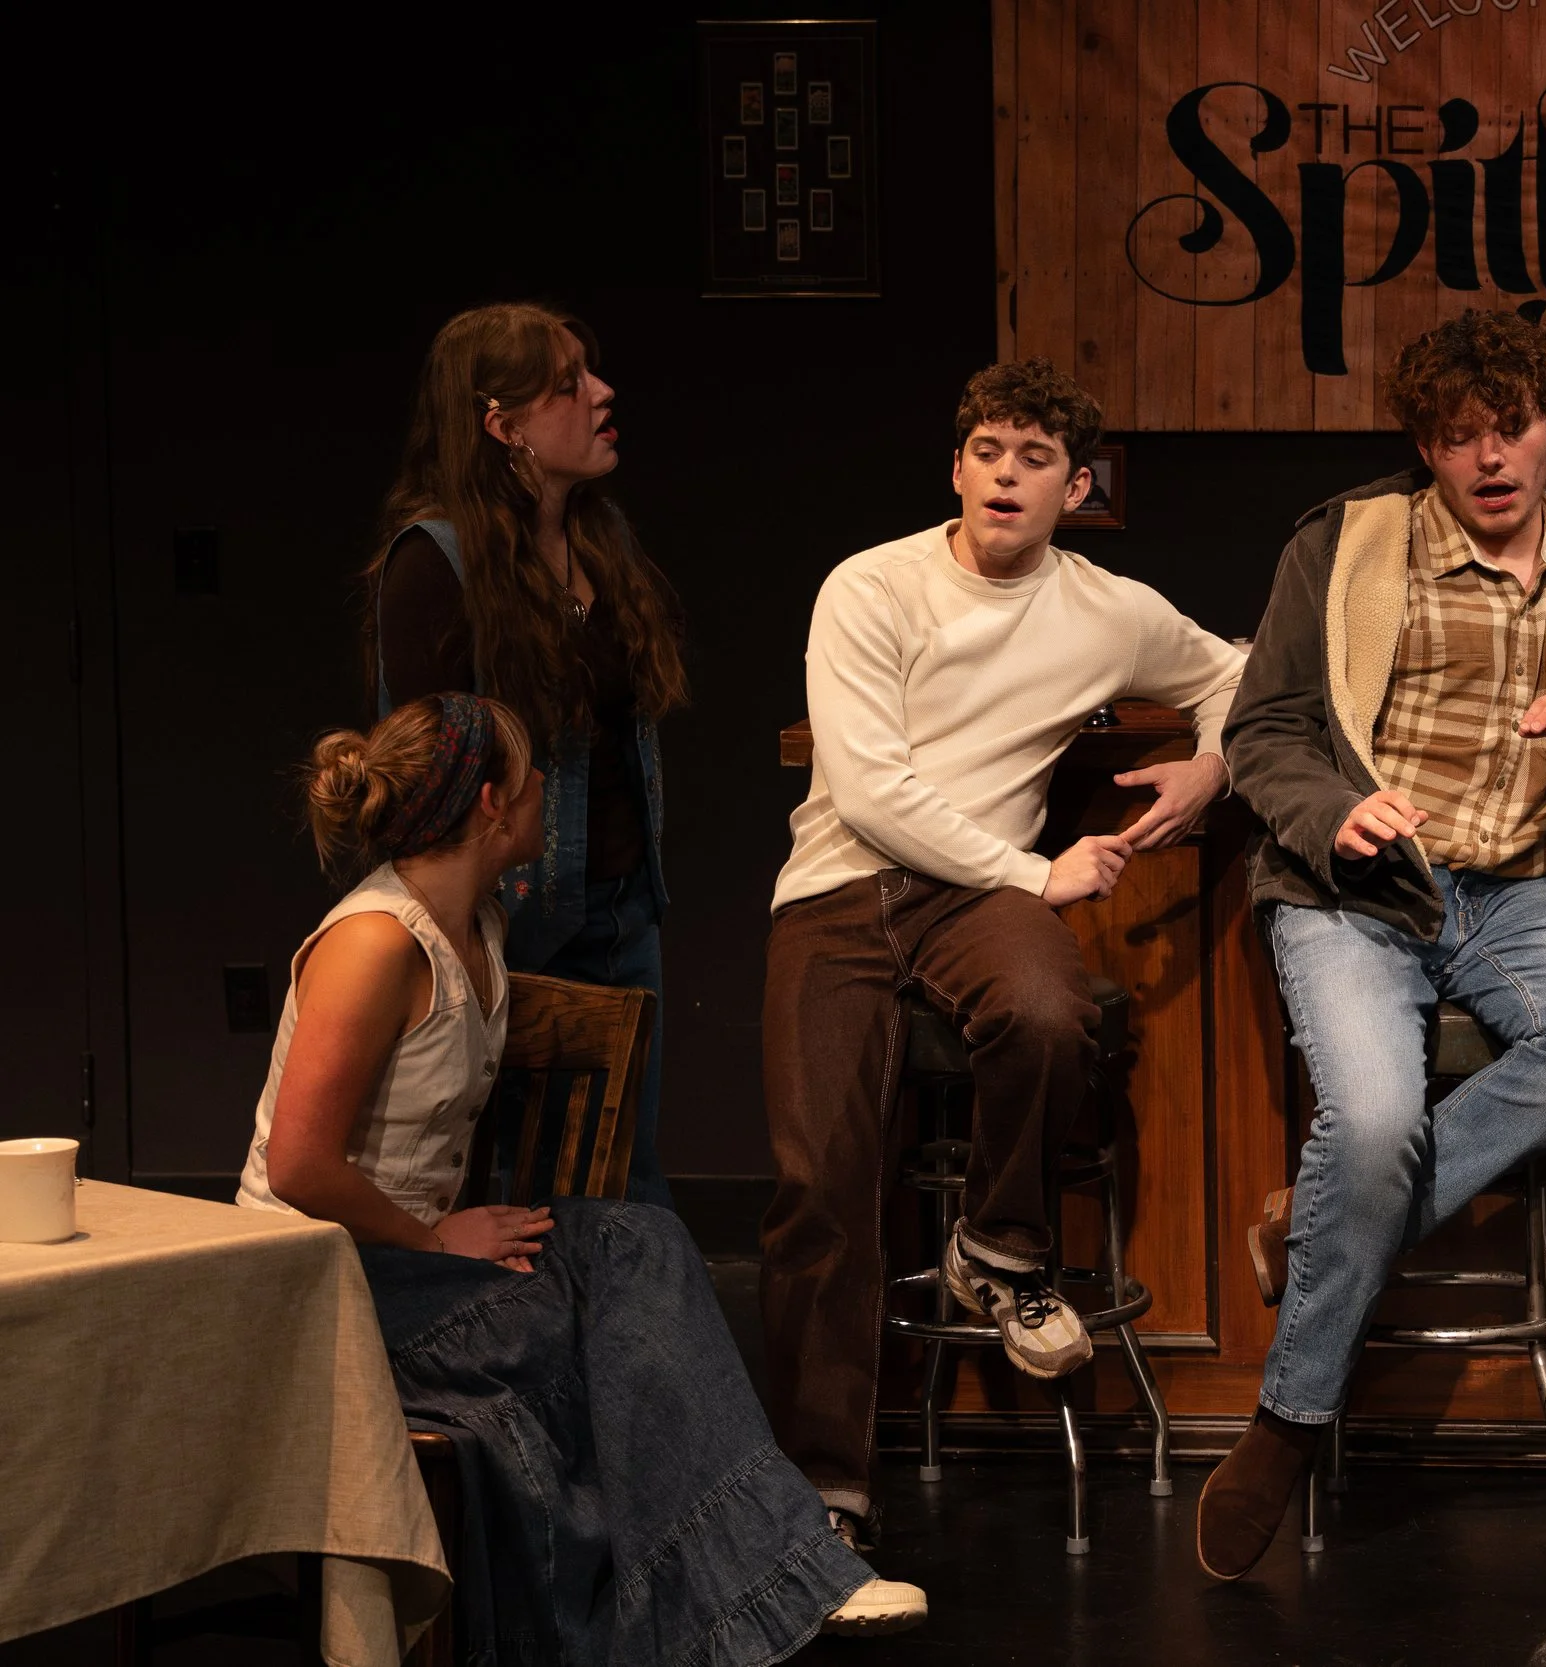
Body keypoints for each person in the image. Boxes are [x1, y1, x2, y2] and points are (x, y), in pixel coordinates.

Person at [236, 692, 926, 1655]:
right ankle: (716, 1601)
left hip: (408, 1263)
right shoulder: (373, 943)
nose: (542, 793)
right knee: (586, 1332)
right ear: (491, 803)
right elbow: (300, 1164)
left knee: (638, 1242)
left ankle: (769, 1574)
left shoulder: (476, 922)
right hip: (324, 1283)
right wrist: (436, 1237)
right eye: (529, 778)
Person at [1199, 310, 1546, 1580]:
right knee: (1374, 1120)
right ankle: (1288, 1419)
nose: (1489, 457)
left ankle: (1317, 1219)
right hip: (1361, 890)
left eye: (1511, 428)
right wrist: (1334, 812)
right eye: (1456, 436)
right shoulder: (1344, 541)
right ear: (1424, 447)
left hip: (1522, 891)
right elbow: (1262, 729)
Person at [760, 359, 1245, 1550]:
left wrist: (1211, 765)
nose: (1006, 476)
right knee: (823, 1183)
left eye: (1035, 458)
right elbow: (870, 793)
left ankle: (998, 1243)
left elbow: (1238, 670)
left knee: (1047, 1009)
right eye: (988, 451)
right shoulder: (871, 584)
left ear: (1075, 487)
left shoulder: (1105, 607)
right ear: (957, 467)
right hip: (841, 887)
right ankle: (825, 1492)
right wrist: (1035, 873)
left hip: (972, 895)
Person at [367, 302, 685, 1207]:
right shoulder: (436, 563)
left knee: (624, 1179)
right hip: (513, 923)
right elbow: (427, 778)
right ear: (502, 426)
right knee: (524, 1193)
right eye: (568, 384)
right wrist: (471, 937)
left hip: (624, 912)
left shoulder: (600, 539)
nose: (602, 393)